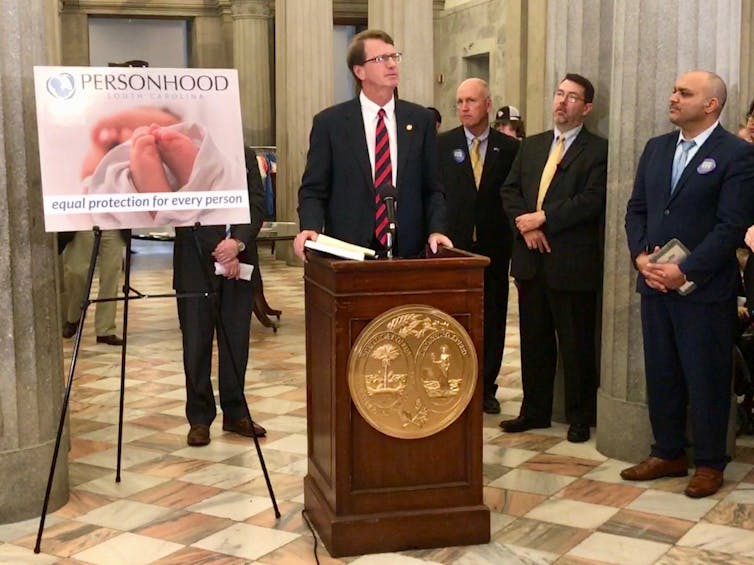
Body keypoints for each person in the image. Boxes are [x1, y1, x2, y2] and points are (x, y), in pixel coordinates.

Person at [622, 70, 754, 497]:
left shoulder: (736, 155)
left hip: (703, 289)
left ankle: (711, 462)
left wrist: (687, 269)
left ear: (711, 105)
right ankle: (668, 452)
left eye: (684, 92)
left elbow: (730, 226)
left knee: (707, 375)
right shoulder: (657, 149)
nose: (673, 97)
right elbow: (637, 209)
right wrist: (641, 256)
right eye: (674, 89)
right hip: (655, 283)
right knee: (662, 371)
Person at [500, 73, 608, 443]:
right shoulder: (531, 146)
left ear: (587, 107)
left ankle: (580, 416)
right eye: (559, 94)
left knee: (576, 344)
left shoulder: (597, 150)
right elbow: (509, 190)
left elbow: (592, 200)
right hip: (531, 261)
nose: (562, 102)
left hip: (571, 262)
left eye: (572, 97)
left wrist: (545, 218)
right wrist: (525, 226)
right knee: (534, 340)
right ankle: (535, 411)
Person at [294, 29, 452, 261]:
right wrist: (311, 227)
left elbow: (433, 187)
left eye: (394, 57)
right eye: (381, 59)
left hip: (408, 251)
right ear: (359, 71)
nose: (392, 65)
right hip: (349, 251)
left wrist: (437, 229)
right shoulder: (331, 123)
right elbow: (314, 189)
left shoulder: (420, 120)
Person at [174, 146, 267, 447]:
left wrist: (237, 243)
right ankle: (199, 419)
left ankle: (236, 411)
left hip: (240, 261)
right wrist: (221, 249)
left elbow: (256, 202)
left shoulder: (245, 154)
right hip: (195, 263)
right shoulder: (183, 154)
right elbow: (181, 208)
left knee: (236, 341)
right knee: (196, 343)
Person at [437, 78, 519, 414]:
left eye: (471, 101)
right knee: (452, 317)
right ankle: (452, 382)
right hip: (453, 248)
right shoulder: (443, 145)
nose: (464, 108)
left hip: (494, 247)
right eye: (459, 102)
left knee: (493, 315)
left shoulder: (510, 148)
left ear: (487, 104)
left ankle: (486, 386)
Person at [62, 229, 127, 345]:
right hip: (82, 221)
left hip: (113, 223)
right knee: (76, 271)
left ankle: (105, 329)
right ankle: (74, 316)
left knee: (111, 275)